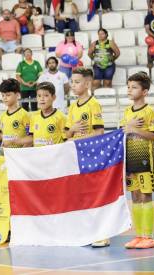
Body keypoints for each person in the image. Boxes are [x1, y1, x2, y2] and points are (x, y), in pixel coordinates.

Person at [64, 68, 107, 248]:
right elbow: (66, 134)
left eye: (77, 82)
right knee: (81, 195)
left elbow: (99, 132)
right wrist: (73, 130)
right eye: (72, 82)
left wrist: (78, 137)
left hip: (92, 155)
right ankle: (87, 232)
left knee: (96, 194)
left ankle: (102, 234)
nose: (73, 85)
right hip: (77, 156)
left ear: (87, 84)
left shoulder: (93, 104)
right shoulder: (72, 106)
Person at [121, 72, 154, 249]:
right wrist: (127, 129)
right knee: (135, 196)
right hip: (130, 161)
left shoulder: (149, 111)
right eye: (128, 87)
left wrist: (133, 130)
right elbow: (125, 132)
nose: (130, 90)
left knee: (145, 196)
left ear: (144, 92)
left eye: (134, 87)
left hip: (145, 159)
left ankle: (148, 236)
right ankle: (138, 235)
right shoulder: (127, 111)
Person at [29, 82, 67, 147]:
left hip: (55, 156)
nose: (42, 99)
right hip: (38, 156)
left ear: (54, 97)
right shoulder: (34, 116)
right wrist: (16, 141)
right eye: (39, 96)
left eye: (46, 95)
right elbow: (31, 139)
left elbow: (66, 141)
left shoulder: (61, 117)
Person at [0, 78, 31, 149]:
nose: (4, 98)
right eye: (3, 95)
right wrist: (2, 144)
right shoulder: (3, 116)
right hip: (7, 155)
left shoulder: (24, 115)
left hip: (20, 156)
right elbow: (4, 135)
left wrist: (20, 153)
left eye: (8, 95)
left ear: (18, 95)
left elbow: (30, 138)